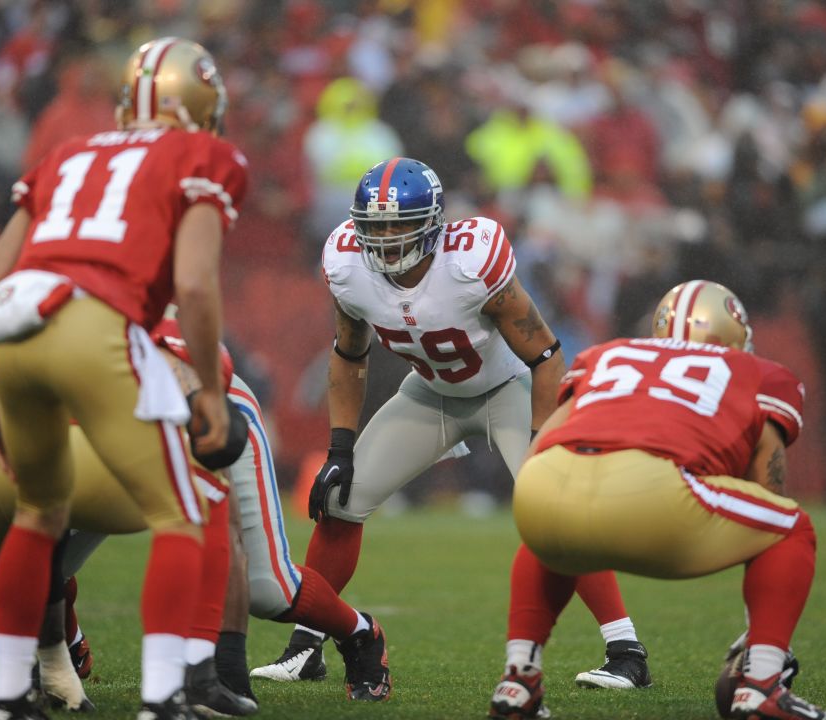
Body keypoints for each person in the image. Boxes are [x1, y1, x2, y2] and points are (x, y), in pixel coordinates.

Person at [251, 157, 652, 691]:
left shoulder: (470, 259)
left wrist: (542, 441)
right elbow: (350, 355)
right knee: (342, 499)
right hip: (431, 394)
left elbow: (546, 355)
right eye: (376, 226)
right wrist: (339, 448)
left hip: (509, 388)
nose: (387, 238)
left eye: (400, 224)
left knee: (556, 509)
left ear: (433, 223)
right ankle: (306, 646)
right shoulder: (347, 265)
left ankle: (626, 650)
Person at [0, 37, 249, 719]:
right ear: (202, 102)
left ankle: (7, 696)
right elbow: (196, 287)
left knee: (36, 514)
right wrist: (207, 387)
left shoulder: (67, 155)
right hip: (98, 326)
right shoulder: (205, 155)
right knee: (182, 514)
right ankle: (161, 696)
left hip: (14, 332)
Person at [0, 318, 393, 716]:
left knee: (267, 585)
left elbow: (204, 382)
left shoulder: (131, 322)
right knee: (23, 550)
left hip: (196, 410)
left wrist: (221, 669)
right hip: (102, 441)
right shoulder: (27, 337)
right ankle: (56, 655)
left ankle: (354, 634)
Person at [487, 280, 826, 720]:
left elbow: (550, 439)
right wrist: (758, 629)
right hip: (655, 487)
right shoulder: (761, 373)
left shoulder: (607, 354)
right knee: (791, 527)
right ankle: (763, 684)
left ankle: (519, 681)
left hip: (544, 479)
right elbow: (768, 486)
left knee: (551, 532)